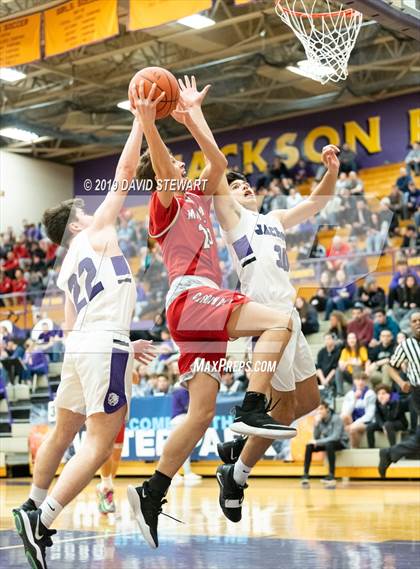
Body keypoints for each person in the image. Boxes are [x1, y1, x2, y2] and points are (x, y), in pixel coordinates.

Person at [127, 76, 297, 550]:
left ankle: (151, 491)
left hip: (200, 309)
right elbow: (164, 170)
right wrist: (149, 124)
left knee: (200, 414)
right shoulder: (164, 203)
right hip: (191, 297)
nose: (182, 163)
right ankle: (252, 407)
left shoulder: (199, 194)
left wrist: (191, 117)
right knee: (280, 320)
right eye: (175, 161)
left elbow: (218, 162)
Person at [12, 85, 156, 569]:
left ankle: (31, 502)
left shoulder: (66, 265)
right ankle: (44, 518)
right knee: (98, 443)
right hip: (102, 345)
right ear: (76, 224)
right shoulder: (94, 232)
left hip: (82, 348)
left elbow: (75, 326)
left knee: (62, 432)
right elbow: (125, 173)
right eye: (85, 211)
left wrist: (122, 344)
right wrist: (139, 120)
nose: (94, 212)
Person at [214, 144, 339, 523]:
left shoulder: (274, 218)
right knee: (282, 411)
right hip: (267, 318)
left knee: (310, 400)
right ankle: (236, 476)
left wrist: (331, 172)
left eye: (247, 184)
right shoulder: (232, 219)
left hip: (291, 315)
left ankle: (241, 446)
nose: (245, 187)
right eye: (237, 186)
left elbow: (316, 203)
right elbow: (217, 179)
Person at [378, 311, 420, 477]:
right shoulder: (406, 345)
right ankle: (390, 453)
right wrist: (401, 382)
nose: (417, 323)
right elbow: (390, 367)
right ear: (410, 325)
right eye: (414, 321)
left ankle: (389, 453)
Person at [301, 401, 349, 488]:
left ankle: (331, 475)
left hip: (341, 442)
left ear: (327, 409)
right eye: (318, 410)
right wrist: (316, 425)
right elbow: (316, 437)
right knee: (309, 446)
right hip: (328, 443)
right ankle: (305, 475)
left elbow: (335, 437)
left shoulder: (336, 418)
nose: (319, 411)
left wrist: (318, 442)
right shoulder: (320, 421)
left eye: (321, 409)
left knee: (329, 444)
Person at [170, 386, 202, 483]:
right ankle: (184, 473)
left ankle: (178, 473)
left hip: (179, 419)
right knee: (183, 447)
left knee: (181, 448)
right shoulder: (183, 391)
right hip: (180, 419)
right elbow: (188, 406)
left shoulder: (181, 391)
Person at [96, 421, 126, 514]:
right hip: (102, 415)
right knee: (106, 447)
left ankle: (105, 489)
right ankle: (106, 489)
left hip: (119, 414)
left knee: (117, 452)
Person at [341, 372, 376, 448]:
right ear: (354, 381)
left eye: (363, 379)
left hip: (366, 423)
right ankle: (345, 444)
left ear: (366, 381)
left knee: (352, 429)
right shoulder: (349, 394)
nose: (360, 382)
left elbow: (369, 416)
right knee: (344, 417)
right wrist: (354, 400)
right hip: (352, 421)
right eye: (358, 379)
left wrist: (353, 424)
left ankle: (354, 448)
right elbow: (345, 412)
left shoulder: (370, 394)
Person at [315, 334, 342, 403]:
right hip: (322, 376)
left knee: (334, 379)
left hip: (332, 375)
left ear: (333, 340)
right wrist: (323, 379)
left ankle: (331, 398)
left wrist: (326, 380)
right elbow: (318, 367)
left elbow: (335, 368)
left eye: (329, 339)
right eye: (326, 339)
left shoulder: (338, 351)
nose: (327, 341)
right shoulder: (321, 352)